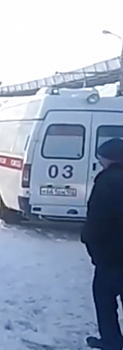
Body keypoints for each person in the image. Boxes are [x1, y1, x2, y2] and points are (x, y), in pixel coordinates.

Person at [82, 138, 123, 350]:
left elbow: (96, 220)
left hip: (110, 257)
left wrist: (90, 243)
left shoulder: (106, 182)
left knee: (105, 301)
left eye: (101, 159)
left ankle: (112, 341)